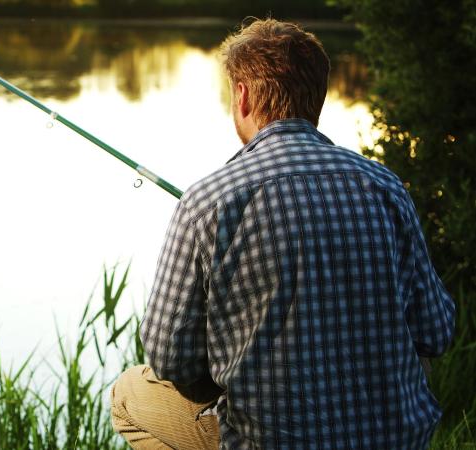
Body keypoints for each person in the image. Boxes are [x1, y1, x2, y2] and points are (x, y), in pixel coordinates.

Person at [110, 18, 456, 449]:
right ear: (318, 98)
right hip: (393, 441)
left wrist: (227, 369)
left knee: (128, 394)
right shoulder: (385, 187)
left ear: (243, 96)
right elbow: (437, 331)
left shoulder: (207, 201)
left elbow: (168, 356)